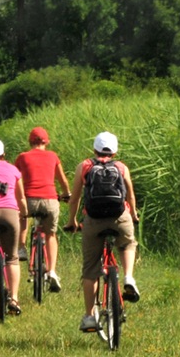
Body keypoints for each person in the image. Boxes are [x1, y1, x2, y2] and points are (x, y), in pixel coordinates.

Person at [64, 131, 140, 333]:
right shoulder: (122, 167)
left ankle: (89, 316)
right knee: (128, 243)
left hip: (94, 220)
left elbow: (75, 199)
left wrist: (72, 221)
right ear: (115, 150)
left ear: (94, 148)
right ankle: (129, 278)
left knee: (90, 268)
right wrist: (133, 216)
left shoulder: (85, 166)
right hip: (119, 216)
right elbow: (130, 196)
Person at [15, 126, 71, 292]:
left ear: (30, 141)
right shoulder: (53, 156)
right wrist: (66, 194)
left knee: (23, 216)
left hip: (29, 200)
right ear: (46, 141)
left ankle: (22, 248)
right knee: (51, 234)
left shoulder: (22, 157)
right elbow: (63, 180)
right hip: (50, 200)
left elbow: (15, 178)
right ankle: (52, 271)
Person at [0, 138, 27, 315]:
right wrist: (24, 214)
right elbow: (21, 197)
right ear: (3, 155)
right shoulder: (13, 170)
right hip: (9, 213)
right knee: (12, 258)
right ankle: (14, 298)